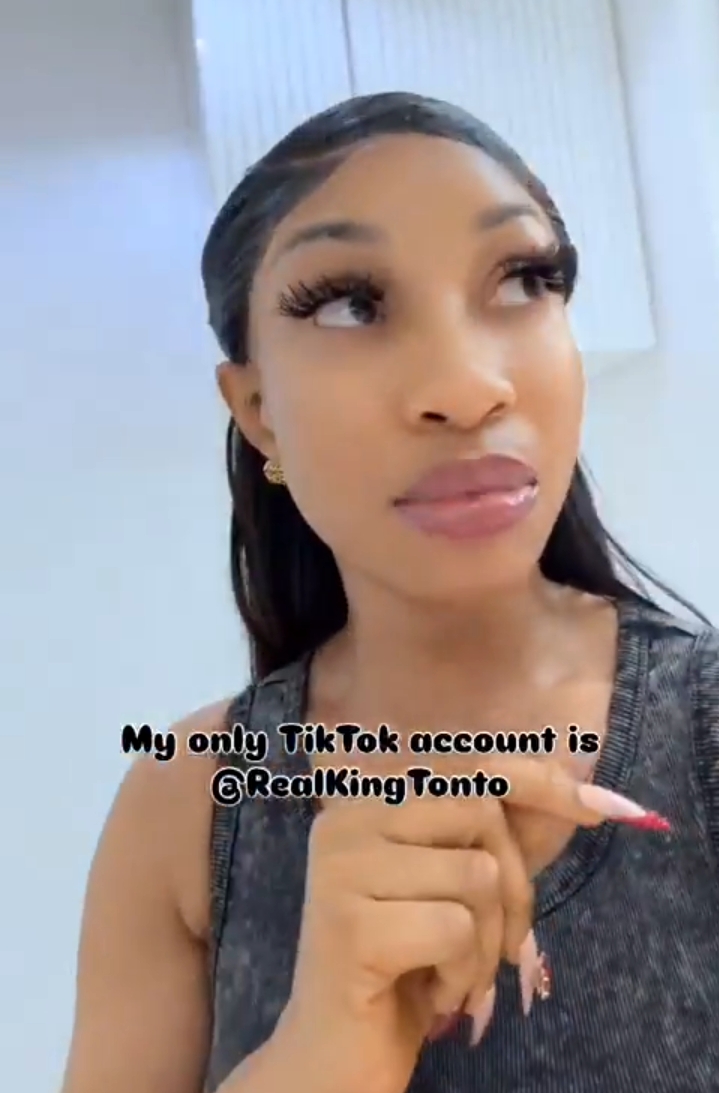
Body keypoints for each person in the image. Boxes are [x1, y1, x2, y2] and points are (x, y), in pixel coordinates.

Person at [60, 92, 719, 1093]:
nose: (465, 385)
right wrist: (324, 1050)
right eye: (348, 304)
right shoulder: (182, 801)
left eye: (522, 279)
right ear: (257, 411)